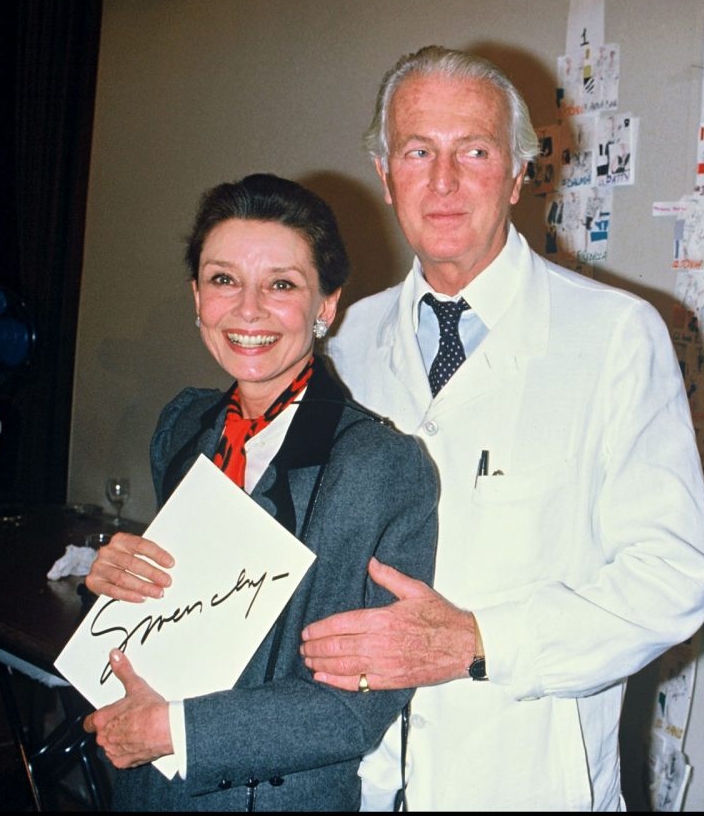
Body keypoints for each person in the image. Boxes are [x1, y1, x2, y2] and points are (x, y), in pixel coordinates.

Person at [299, 45, 704, 810]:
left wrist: (476, 642)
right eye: (418, 151)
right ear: (384, 173)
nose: (445, 180)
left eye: (476, 151)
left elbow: (673, 579)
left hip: (524, 777)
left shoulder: (617, 335)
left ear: (521, 173)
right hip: (354, 777)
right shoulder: (347, 342)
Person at [80, 173, 439, 810]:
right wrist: (117, 578)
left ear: (326, 305)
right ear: (196, 297)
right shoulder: (185, 427)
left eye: (281, 284)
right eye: (223, 280)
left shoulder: (378, 467)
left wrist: (173, 730)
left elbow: (358, 704)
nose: (248, 311)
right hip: (144, 786)